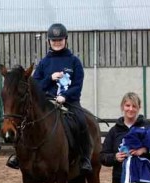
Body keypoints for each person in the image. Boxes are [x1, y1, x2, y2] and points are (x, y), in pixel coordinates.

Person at [6, 23, 93, 174]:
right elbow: (35, 85)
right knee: (26, 121)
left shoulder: (74, 62)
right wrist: (50, 78)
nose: (57, 43)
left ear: (65, 40)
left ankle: (85, 158)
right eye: (54, 40)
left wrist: (64, 97)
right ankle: (19, 156)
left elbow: (77, 85)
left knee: (81, 120)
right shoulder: (44, 63)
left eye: (60, 40)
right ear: (49, 42)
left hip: (69, 102)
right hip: (46, 102)